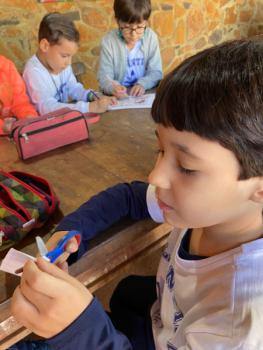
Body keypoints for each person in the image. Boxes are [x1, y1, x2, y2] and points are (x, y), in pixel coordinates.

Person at [12, 38, 263, 349]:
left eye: (185, 165)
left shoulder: (241, 326)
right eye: (159, 149)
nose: (155, 175)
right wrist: (68, 233)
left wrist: (80, 329)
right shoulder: (203, 209)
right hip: (159, 323)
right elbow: (128, 197)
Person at [23, 12, 116, 116]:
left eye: (71, 56)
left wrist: (92, 95)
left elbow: (74, 87)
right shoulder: (33, 71)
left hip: (63, 123)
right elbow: (46, 108)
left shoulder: (62, 64)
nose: (69, 63)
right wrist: (88, 107)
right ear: (45, 46)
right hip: (44, 128)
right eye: (64, 56)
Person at [97, 0, 163, 99]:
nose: (134, 34)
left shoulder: (151, 37)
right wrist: (113, 87)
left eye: (140, 27)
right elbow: (104, 76)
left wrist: (142, 84)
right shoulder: (109, 41)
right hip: (118, 97)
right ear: (117, 21)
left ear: (146, 22)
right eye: (127, 27)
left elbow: (156, 72)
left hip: (145, 94)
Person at [0, 55, 38, 134]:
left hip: (12, 130)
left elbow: (20, 101)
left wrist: (29, 116)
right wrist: (3, 126)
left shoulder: (6, 66)